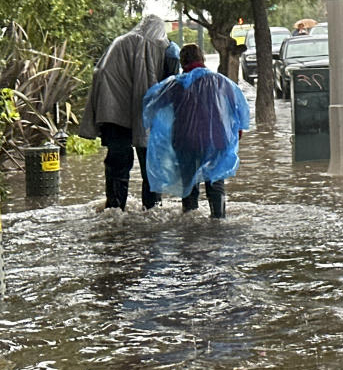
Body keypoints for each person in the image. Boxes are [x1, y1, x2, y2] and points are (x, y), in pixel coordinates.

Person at [78, 15, 180, 211]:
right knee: (151, 165)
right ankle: (152, 210)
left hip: (112, 114)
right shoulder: (167, 49)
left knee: (118, 163)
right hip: (146, 116)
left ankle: (115, 210)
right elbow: (172, 86)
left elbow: (99, 75)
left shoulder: (119, 43)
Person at [142, 44, 250, 218]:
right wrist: (235, 134)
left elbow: (152, 106)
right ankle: (218, 219)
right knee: (215, 180)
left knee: (189, 184)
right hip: (216, 140)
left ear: (182, 62)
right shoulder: (221, 81)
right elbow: (239, 111)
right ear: (202, 59)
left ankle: (190, 222)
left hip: (186, 141)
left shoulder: (175, 84)